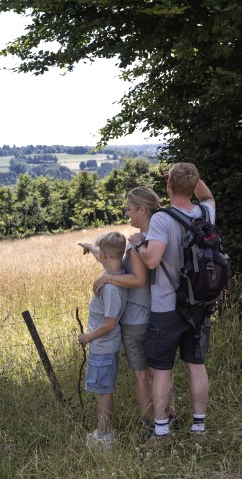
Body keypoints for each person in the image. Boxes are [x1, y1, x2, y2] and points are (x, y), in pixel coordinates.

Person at [131, 163, 215, 446]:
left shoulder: (163, 219)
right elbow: (207, 197)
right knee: (195, 365)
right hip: (200, 305)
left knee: (162, 368)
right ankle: (199, 429)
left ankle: (162, 432)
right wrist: (190, 177)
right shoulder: (206, 212)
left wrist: (139, 243)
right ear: (193, 184)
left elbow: (152, 261)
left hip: (167, 306)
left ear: (168, 186)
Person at [85, 187, 162, 429]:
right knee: (158, 372)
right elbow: (115, 262)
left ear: (141, 209)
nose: (127, 214)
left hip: (136, 318)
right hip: (156, 312)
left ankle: (151, 423)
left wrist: (106, 278)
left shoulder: (137, 244)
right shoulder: (157, 236)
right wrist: (92, 247)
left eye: (129, 209)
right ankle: (167, 416)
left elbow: (136, 279)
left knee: (142, 375)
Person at [77, 231, 128, 449]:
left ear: (106, 254)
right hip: (106, 346)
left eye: (101, 253)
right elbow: (104, 254)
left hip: (103, 347)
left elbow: (109, 323)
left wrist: (88, 337)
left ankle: (104, 435)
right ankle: (103, 431)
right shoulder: (117, 271)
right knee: (102, 389)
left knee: (103, 391)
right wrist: (89, 245)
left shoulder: (110, 288)